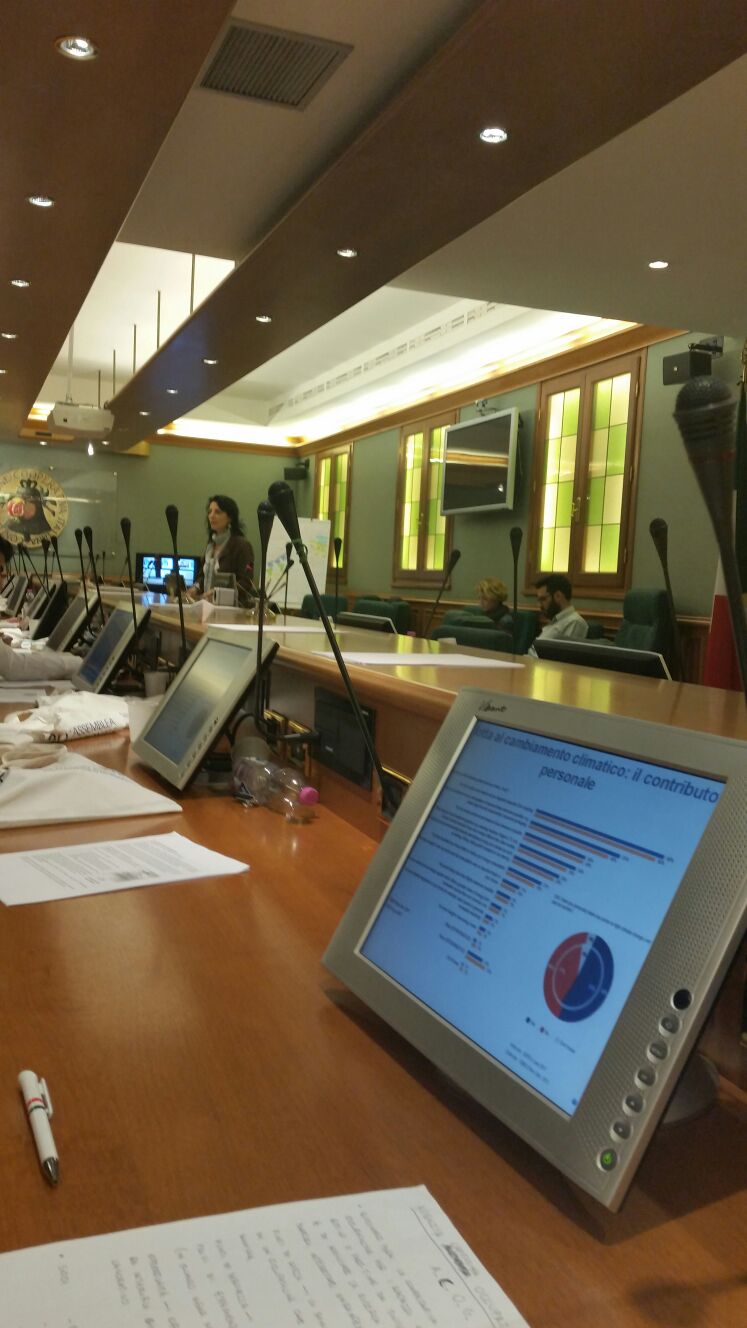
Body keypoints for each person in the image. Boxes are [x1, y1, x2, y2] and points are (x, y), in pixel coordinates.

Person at [190, 495, 255, 602]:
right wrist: (195, 588)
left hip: (232, 607)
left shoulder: (242, 545)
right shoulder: (210, 545)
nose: (211, 515)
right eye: (210, 511)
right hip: (207, 604)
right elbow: (204, 577)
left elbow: (246, 582)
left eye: (217, 512)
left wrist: (218, 593)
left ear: (230, 517)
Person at [529, 573, 588, 654]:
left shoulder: (575, 622)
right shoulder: (555, 620)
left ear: (558, 596)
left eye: (543, 599)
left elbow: (563, 657)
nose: (539, 605)